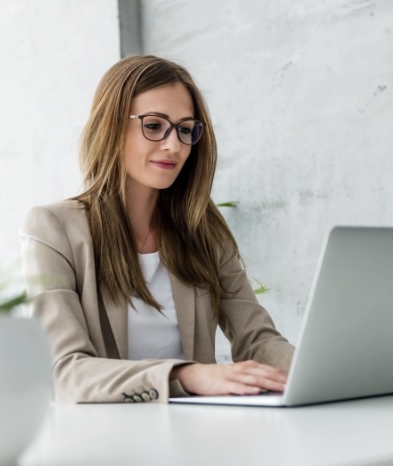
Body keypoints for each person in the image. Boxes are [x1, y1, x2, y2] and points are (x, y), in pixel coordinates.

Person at [20, 55, 294, 403]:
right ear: (111, 125)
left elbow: (258, 340)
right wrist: (184, 375)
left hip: (195, 432)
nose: (174, 145)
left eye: (184, 129)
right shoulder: (52, 229)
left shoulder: (202, 228)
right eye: (153, 125)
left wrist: (318, 369)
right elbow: (65, 372)